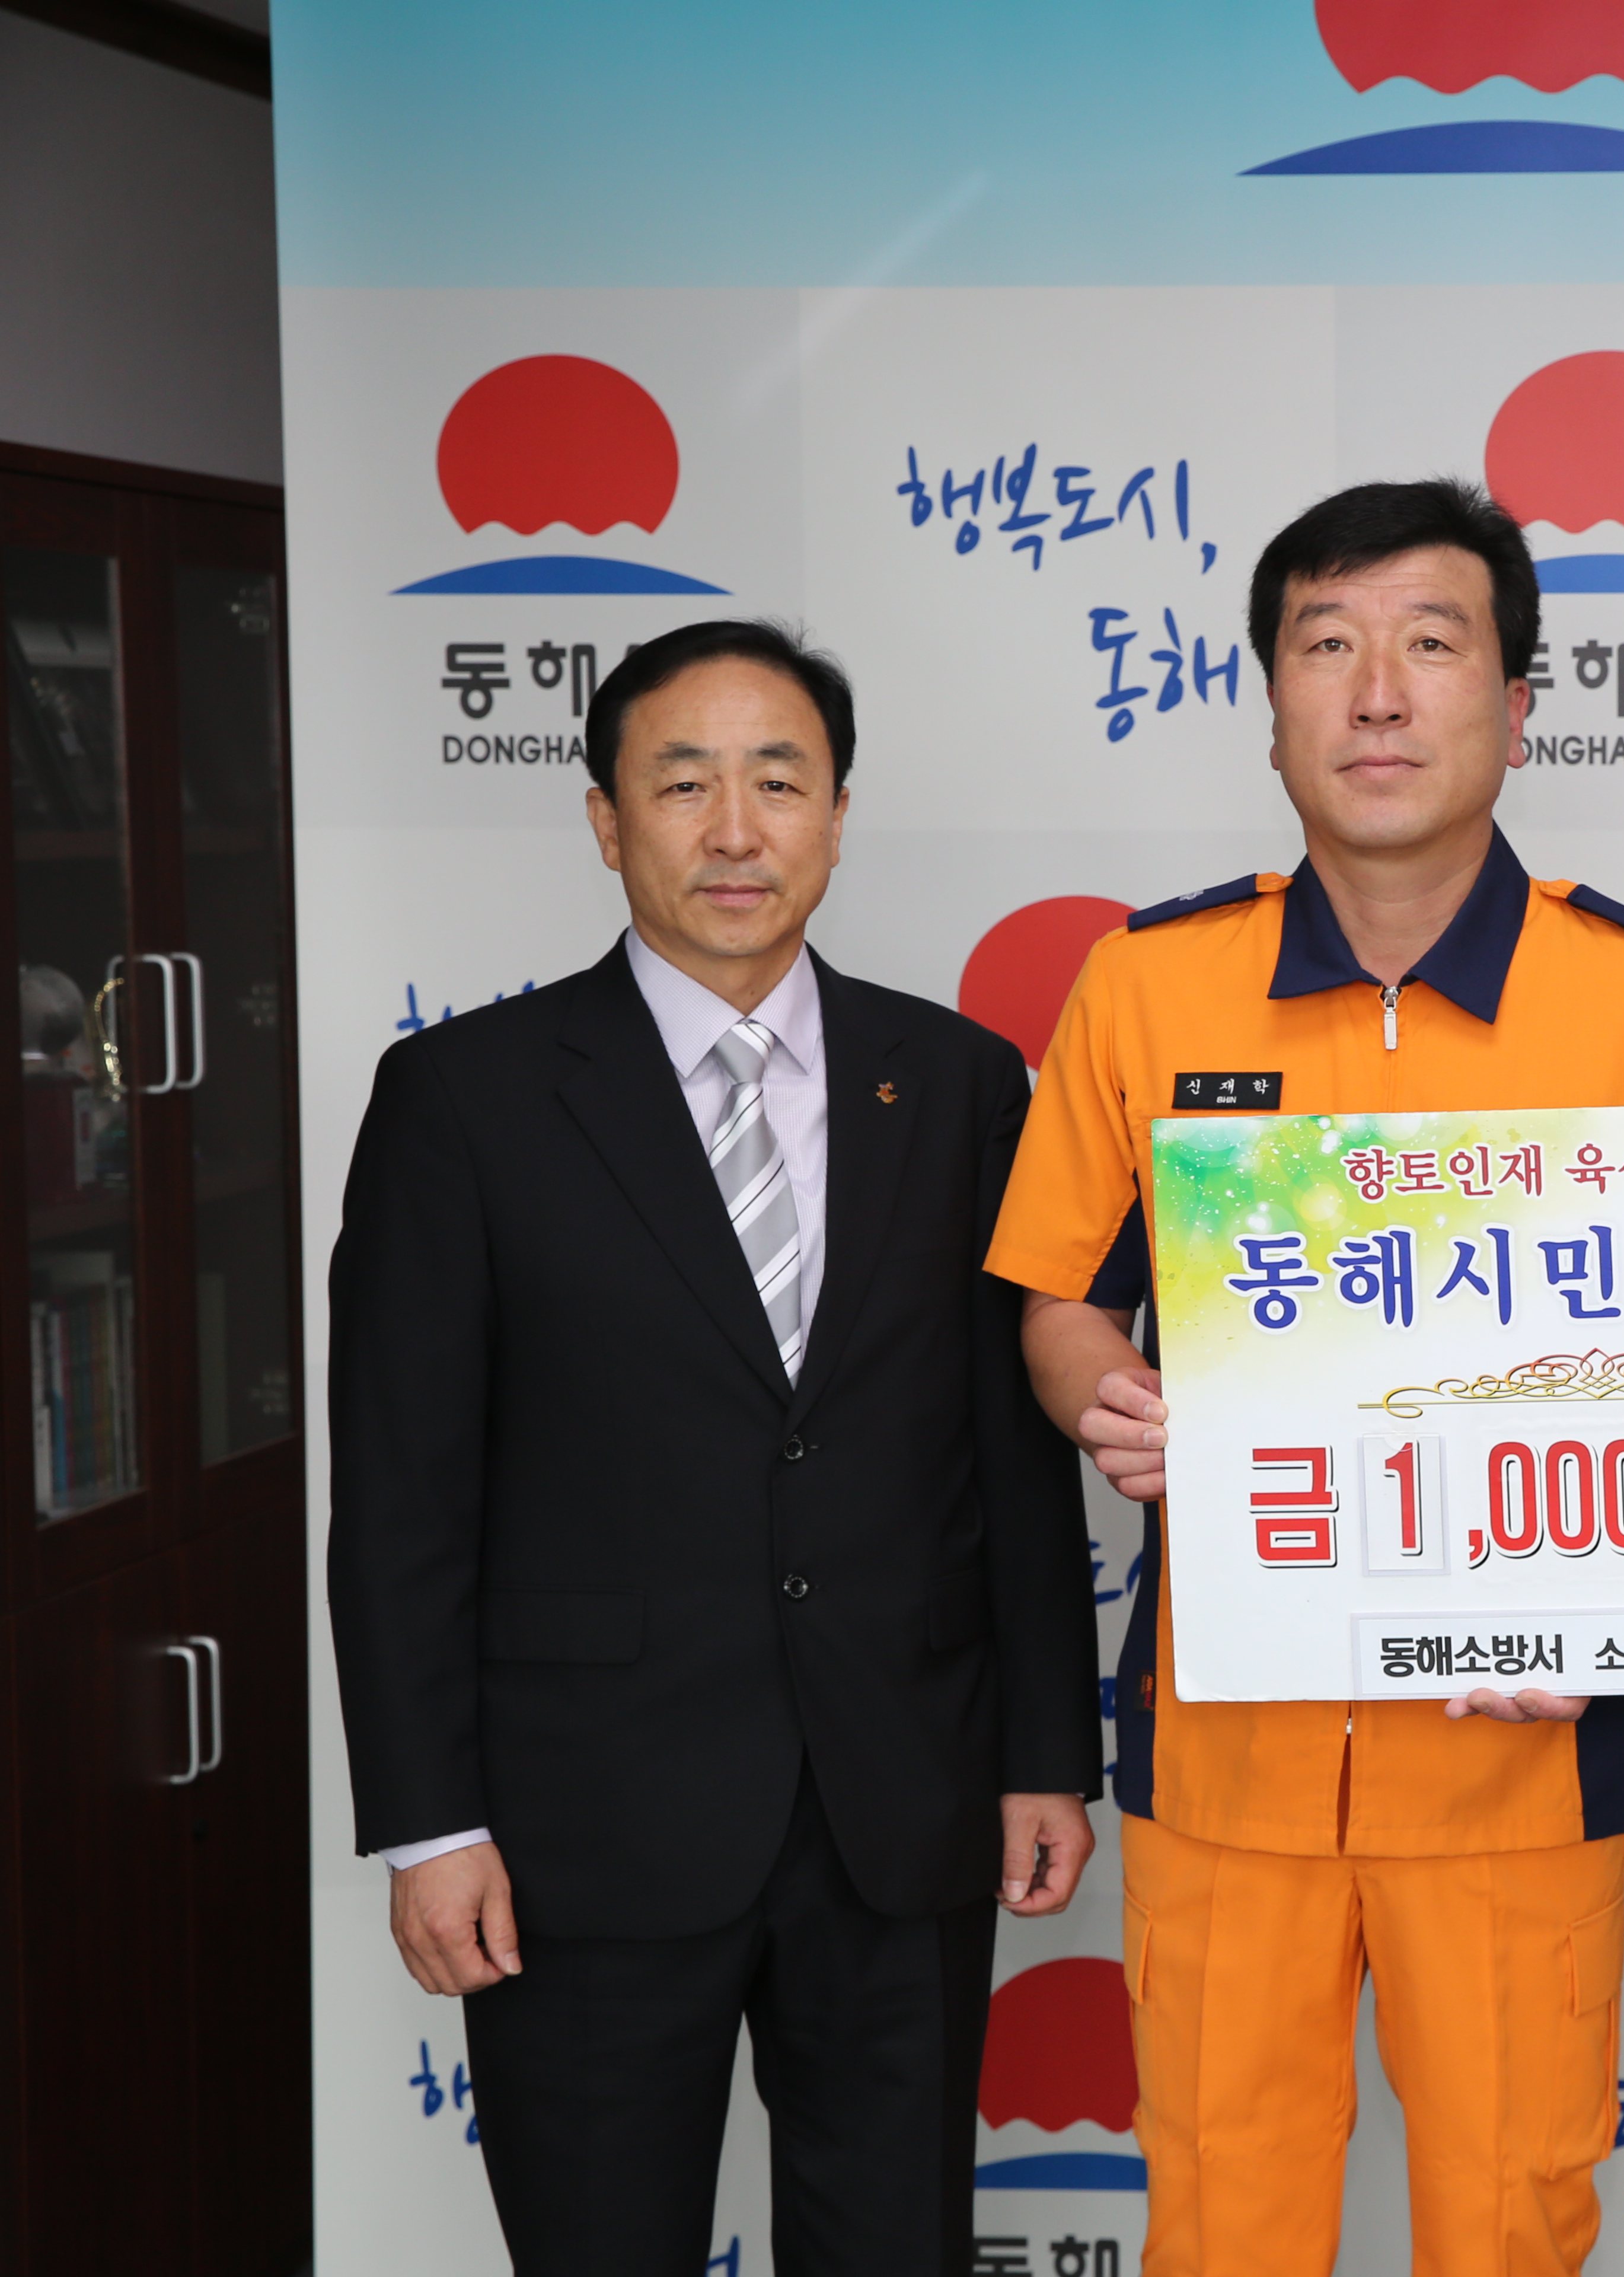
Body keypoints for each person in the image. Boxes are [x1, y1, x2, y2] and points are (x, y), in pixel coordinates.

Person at [987, 477, 1624, 2277]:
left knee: (1512, 2220)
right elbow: (1059, 1297)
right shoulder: (1147, 983)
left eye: (1431, 643)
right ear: (1273, 711)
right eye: (1327, 647)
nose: (1380, 695)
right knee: (1222, 2220)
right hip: (1225, 1745)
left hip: (1521, 1754)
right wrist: (1102, 1393)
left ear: (1520, 705)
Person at [326, 620, 1102, 2277]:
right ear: (607, 821)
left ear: (838, 815)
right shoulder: (465, 1098)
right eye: (684, 785)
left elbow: (1012, 1458)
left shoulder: (958, 1083)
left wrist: (1045, 1748)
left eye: (780, 782)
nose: (735, 831)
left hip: (899, 1805)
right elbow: (398, 1496)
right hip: (581, 1828)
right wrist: (428, 1826)